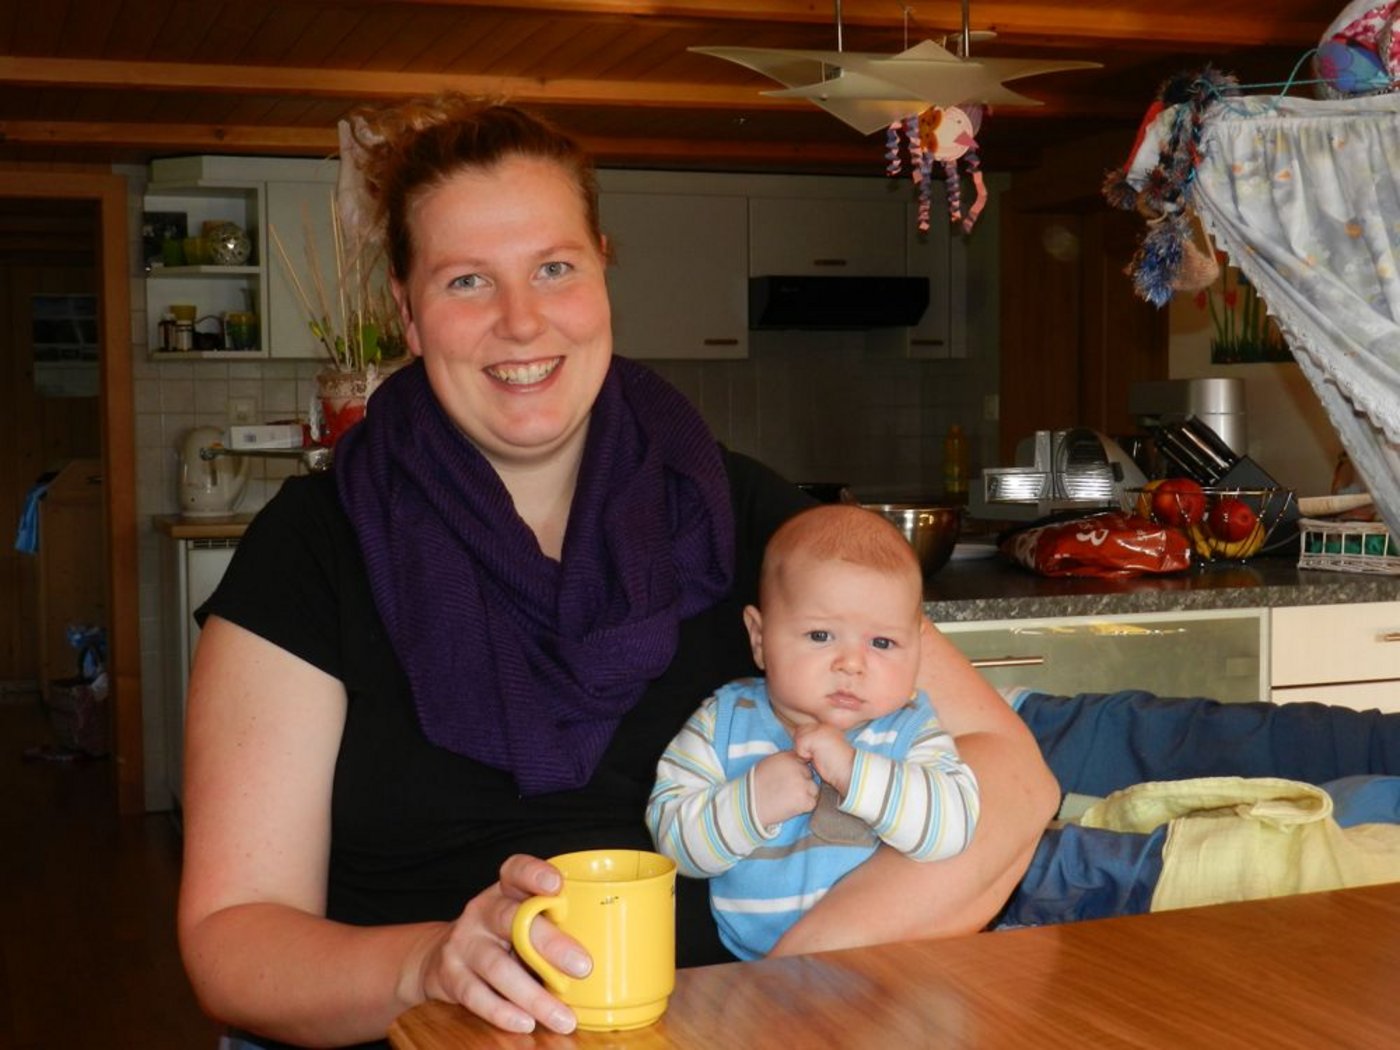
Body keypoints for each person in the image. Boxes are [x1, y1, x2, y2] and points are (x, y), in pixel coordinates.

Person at [176, 94, 1058, 1050]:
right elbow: (233, 940)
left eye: (554, 268)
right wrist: (424, 964)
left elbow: (1012, 780)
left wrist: (786, 988)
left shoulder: (746, 519)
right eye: (468, 281)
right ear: (408, 312)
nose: (522, 321)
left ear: (603, 269)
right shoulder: (314, 547)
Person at [647, 504, 982, 960]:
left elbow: (953, 827)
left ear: (918, 650)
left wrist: (853, 772)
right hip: (755, 976)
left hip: (892, 971)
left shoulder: (909, 728)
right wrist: (753, 801)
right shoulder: (722, 723)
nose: (851, 663)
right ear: (760, 638)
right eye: (821, 636)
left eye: (882, 643)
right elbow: (674, 844)